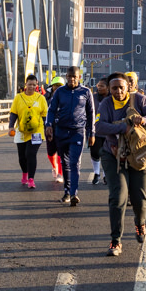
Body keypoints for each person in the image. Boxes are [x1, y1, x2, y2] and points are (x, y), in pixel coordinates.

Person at [95, 73, 146, 256]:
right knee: (118, 197)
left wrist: (145, 120)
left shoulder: (139, 100)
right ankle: (115, 241)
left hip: (141, 156)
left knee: (140, 199)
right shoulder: (105, 104)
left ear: (128, 87)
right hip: (114, 156)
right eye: (114, 88)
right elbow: (99, 127)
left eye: (121, 87)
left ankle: (140, 223)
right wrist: (122, 127)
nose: (118, 91)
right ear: (109, 89)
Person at [45, 66, 95, 206]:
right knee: (65, 163)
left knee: (74, 163)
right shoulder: (60, 91)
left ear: (79, 77)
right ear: (66, 76)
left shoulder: (85, 92)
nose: (72, 79)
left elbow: (91, 113)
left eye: (75, 76)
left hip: (78, 132)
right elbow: (52, 109)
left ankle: (74, 193)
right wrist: (49, 125)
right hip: (61, 131)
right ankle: (67, 192)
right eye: (70, 76)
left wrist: (92, 133)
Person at [9, 74, 49, 188]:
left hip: (37, 131)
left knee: (30, 154)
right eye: (29, 84)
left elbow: (45, 116)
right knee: (22, 156)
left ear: (37, 86)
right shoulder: (18, 97)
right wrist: (11, 126)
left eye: (34, 85)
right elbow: (14, 113)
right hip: (21, 131)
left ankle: (31, 179)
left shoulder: (41, 98)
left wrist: (47, 129)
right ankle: (24, 174)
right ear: (25, 84)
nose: (31, 87)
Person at [44, 75, 65, 181]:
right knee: (50, 152)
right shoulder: (45, 97)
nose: (57, 87)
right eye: (55, 85)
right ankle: (54, 166)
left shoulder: (66, 97)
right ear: (52, 86)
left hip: (62, 127)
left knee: (61, 151)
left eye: (59, 85)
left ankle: (60, 174)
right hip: (49, 127)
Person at [90, 77, 109, 185]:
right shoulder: (93, 97)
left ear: (107, 87)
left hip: (108, 131)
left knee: (107, 154)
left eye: (102, 86)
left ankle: (106, 175)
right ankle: (96, 173)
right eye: (98, 85)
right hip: (95, 130)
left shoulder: (111, 98)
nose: (99, 88)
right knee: (95, 152)